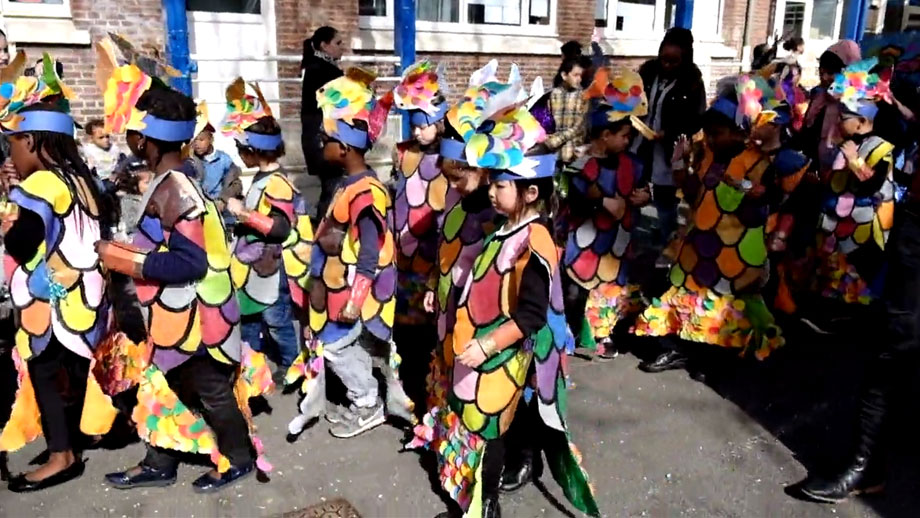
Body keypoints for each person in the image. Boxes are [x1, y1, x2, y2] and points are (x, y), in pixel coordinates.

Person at [421, 67, 598, 518]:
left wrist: (487, 344)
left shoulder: (533, 240)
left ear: (529, 190)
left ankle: (487, 506)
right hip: (482, 347)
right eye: (494, 183)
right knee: (481, 431)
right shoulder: (506, 227)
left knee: (489, 431)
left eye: (501, 185)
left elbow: (531, 315)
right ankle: (482, 506)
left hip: (500, 352)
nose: (493, 192)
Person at [97, 63, 260, 493]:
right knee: (165, 386)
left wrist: (126, 261)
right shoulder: (171, 181)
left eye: (132, 133)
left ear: (144, 140)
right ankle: (160, 460)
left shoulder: (176, 189)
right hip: (178, 318)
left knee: (209, 390)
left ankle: (240, 457)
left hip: (201, 320)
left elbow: (192, 262)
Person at [635, 75, 808, 374]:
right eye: (709, 133)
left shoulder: (759, 162)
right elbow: (693, 193)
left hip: (735, 252)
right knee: (679, 292)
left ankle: (716, 357)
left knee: (727, 306)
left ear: (739, 132)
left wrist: (748, 192)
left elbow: (768, 200)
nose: (712, 139)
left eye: (717, 133)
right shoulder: (708, 156)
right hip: (699, 244)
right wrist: (680, 164)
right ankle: (677, 349)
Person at [0, 65, 114, 492]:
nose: (10, 153)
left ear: (29, 139)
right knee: (73, 371)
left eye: (11, 143)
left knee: (45, 375)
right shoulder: (80, 176)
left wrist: (7, 217)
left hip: (52, 300)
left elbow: (23, 246)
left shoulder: (41, 184)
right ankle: (77, 434)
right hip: (87, 297)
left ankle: (62, 456)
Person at [287, 67, 412, 439]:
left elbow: (370, 254)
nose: (319, 144)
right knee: (340, 347)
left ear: (343, 147)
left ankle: (367, 403)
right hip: (339, 286)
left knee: (337, 347)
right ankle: (366, 397)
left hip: (356, 292)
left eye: (324, 138)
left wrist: (356, 301)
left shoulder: (365, 192)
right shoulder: (350, 183)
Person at [222, 78, 312, 381]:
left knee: (276, 320)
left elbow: (280, 228)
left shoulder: (276, 183)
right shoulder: (263, 178)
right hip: (257, 267)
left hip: (272, 270)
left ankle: (291, 364)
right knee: (250, 317)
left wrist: (242, 213)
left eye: (240, 147)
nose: (237, 153)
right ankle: (251, 365)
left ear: (251, 151)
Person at [560, 67, 652, 360]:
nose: (628, 141)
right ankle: (572, 330)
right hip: (584, 237)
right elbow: (575, 196)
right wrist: (600, 202)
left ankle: (604, 333)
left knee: (612, 288)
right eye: (624, 136)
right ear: (605, 135)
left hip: (616, 240)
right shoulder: (581, 163)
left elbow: (639, 187)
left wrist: (642, 196)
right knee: (576, 289)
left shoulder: (633, 163)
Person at [389, 60, 457, 411]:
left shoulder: (449, 160)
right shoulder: (403, 154)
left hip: (431, 255)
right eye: (413, 126)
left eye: (424, 126)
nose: (417, 132)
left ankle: (424, 384)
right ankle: (405, 377)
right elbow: (396, 195)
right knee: (404, 323)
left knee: (426, 326)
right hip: (402, 255)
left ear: (440, 121)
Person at [812, 59, 894, 312]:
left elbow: (873, 186)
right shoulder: (847, 144)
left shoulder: (882, 148)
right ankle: (835, 308)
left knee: (861, 277)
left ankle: (856, 315)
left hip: (866, 229)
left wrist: (855, 161)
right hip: (839, 225)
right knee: (837, 273)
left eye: (844, 117)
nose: (838, 122)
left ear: (861, 121)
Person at [634, 28, 707, 258]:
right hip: (639, 144)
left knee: (665, 203)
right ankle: (629, 241)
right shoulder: (647, 72)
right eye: (664, 59)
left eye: (674, 62)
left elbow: (696, 120)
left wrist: (670, 132)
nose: (667, 65)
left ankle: (670, 249)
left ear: (684, 59)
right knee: (634, 192)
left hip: (668, 151)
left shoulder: (693, 82)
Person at [301, 25, 345, 221]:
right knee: (332, 185)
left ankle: (324, 225)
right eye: (338, 43)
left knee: (331, 185)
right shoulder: (323, 71)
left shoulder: (320, 68)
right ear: (324, 45)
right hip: (323, 140)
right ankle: (324, 229)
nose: (341, 48)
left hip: (320, 138)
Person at [189, 101, 242, 219]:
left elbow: (235, 183)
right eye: (194, 140)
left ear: (211, 139)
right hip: (199, 209)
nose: (197, 144)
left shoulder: (223, 160)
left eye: (201, 140)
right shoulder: (191, 160)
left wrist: (224, 199)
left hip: (220, 206)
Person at [546, 57, 588, 168]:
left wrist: (556, 140)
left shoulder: (583, 96)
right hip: (554, 155)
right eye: (575, 75)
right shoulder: (554, 94)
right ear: (564, 75)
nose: (579, 79)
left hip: (573, 154)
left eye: (580, 75)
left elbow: (580, 126)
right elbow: (549, 121)